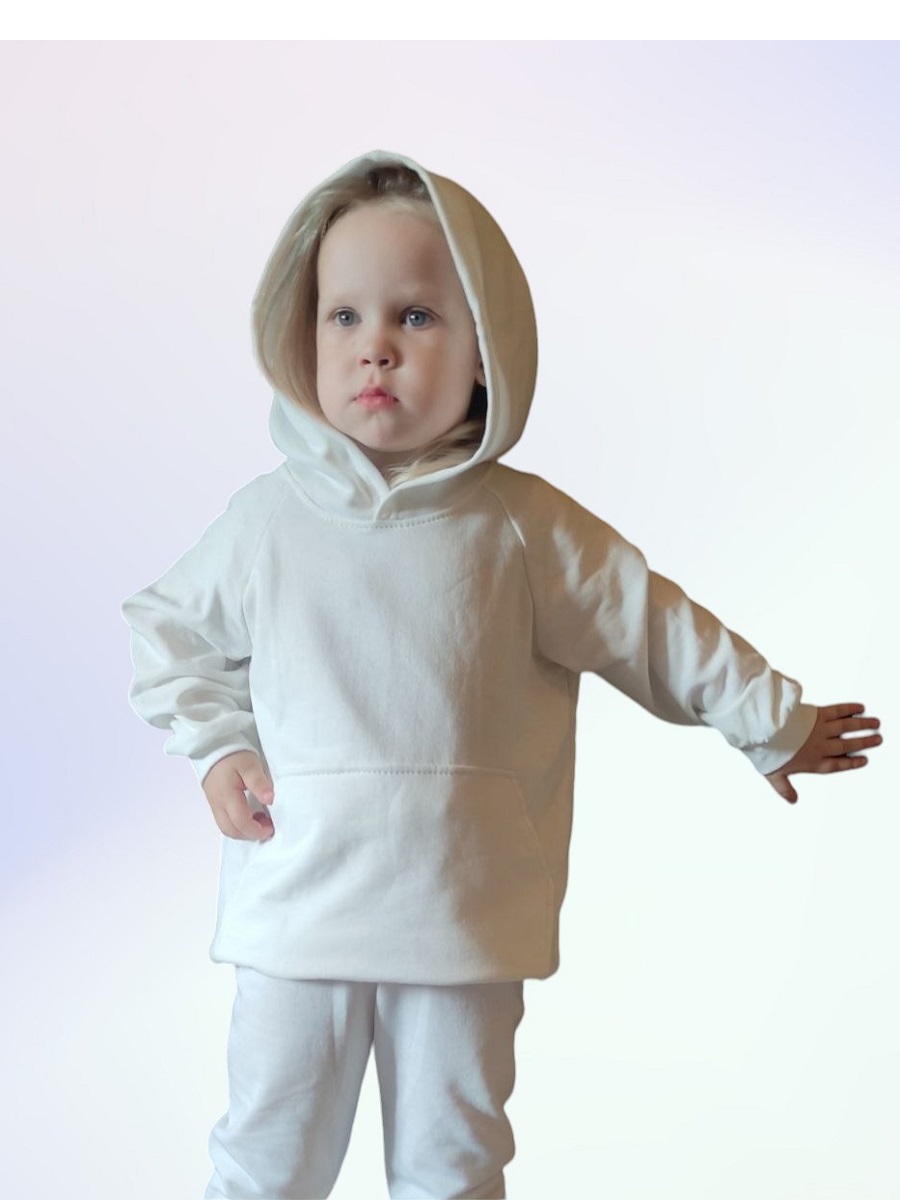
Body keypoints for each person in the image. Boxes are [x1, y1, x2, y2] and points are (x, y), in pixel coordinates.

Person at [121, 151, 882, 1200]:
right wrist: (219, 750)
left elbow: (652, 627)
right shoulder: (266, 523)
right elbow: (165, 631)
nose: (375, 345)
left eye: (415, 316)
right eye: (342, 316)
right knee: (266, 1162)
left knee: (453, 1168)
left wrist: (771, 719)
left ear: (488, 351)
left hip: (463, 913)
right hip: (295, 903)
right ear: (301, 341)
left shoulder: (523, 526)